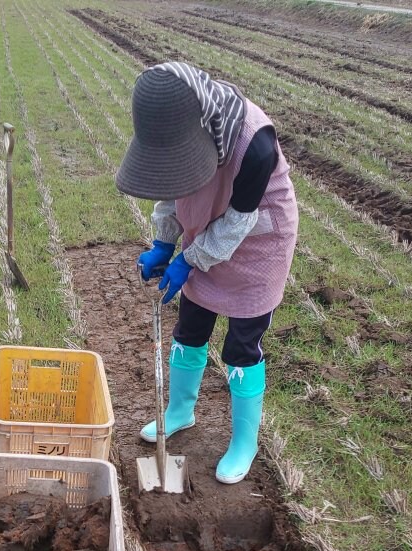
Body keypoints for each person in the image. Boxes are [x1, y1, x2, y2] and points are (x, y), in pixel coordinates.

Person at [116, 62, 298, 485]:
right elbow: (170, 185)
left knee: (241, 346)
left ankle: (245, 442)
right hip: (205, 231)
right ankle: (180, 411)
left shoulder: (255, 145)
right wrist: (165, 242)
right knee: (191, 326)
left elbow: (238, 222)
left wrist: (189, 260)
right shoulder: (179, 132)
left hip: (258, 242)